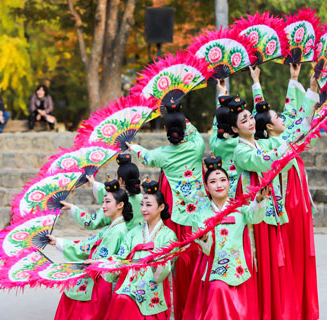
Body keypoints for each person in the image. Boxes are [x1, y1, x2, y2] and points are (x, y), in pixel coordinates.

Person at [229, 68, 317, 319]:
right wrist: (309, 93)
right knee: (271, 266)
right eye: (243, 121)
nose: (249, 122)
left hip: (281, 207)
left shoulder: (265, 141)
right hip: (265, 212)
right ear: (235, 129)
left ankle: (288, 309)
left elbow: (286, 118)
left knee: (286, 265)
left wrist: (291, 81)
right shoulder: (251, 149)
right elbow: (280, 136)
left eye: (249, 118)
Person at [126, 98, 209, 319]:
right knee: (203, 263)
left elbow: (146, 156)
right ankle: (204, 310)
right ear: (184, 128)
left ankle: (181, 311)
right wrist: (176, 110)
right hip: (201, 215)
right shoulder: (197, 146)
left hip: (177, 216)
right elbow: (190, 131)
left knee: (179, 266)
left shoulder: (162, 154)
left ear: (165, 130)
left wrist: (132, 146)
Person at [185, 155, 268, 320]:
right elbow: (204, 247)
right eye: (213, 182)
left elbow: (255, 217)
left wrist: (259, 201)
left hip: (238, 265)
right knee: (218, 288)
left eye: (223, 180)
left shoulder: (240, 208)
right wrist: (204, 237)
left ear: (229, 183)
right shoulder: (201, 214)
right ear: (207, 188)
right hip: (213, 265)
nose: (219, 185)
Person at [47, 179, 131, 320]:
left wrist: (96, 262)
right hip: (94, 276)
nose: (103, 206)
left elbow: (111, 260)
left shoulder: (118, 231)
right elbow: (85, 246)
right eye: (103, 202)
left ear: (120, 205)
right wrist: (58, 241)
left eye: (108, 202)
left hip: (101, 282)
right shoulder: (108, 228)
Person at [102, 179, 177, 320]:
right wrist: (98, 263)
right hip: (130, 282)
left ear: (161, 207)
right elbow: (120, 257)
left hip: (153, 285)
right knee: (123, 298)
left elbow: (166, 266)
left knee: (130, 301)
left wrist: (156, 262)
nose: (143, 209)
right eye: (142, 204)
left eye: (148, 205)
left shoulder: (169, 235)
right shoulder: (133, 233)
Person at [61, 153, 144, 231]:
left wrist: (72, 208)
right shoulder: (144, 199)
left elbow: (91, 222)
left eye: (116, 176)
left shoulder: (116, 203)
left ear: (120, 180)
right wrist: (93, 183)